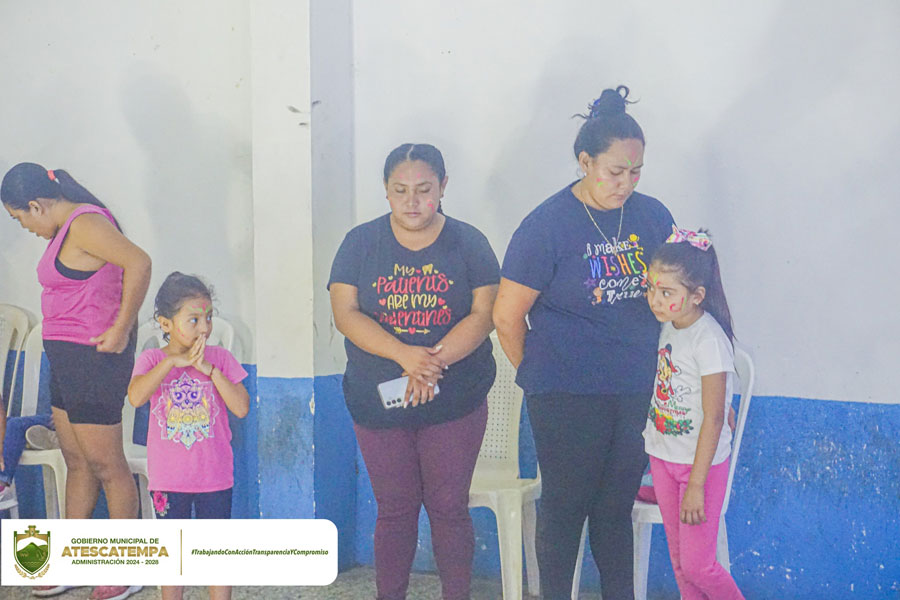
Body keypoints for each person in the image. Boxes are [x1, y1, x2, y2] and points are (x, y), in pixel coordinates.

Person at [493, 86, 675, 599]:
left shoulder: (653, 217)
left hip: (635, 390)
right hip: (564, 393)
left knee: (614, 509)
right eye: (615, 171)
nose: (626, 183)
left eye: (636, 172)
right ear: (584, 161)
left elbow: (679, 296)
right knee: (565, 507)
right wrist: (541, 380)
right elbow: (506, 316)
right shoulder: (547, 226)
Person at [329, 143, 499, 600]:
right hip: (378, 400)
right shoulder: (360, 243)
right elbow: (345, 313)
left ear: (443, 187)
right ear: (385, 191)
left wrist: (429, 365)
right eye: (400, 190)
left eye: (423, 189)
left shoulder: (470, 242)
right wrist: (406, 356)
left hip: (455, 398)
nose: (412, 201)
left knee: (448, 506)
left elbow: (484, 314)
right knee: (396, 509)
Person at [2, 162, 150, 600]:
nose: (25, 228)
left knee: (108, 465)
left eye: (20, 219)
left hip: (93, 361)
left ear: (35, 205)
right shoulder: (65, 230)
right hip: (66, 359)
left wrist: (121, 327)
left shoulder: (86, 223)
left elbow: (139, 262)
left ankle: (127, 567)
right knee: (77, 461)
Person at [128, 272, 249, 600]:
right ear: (166, 324)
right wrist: (172, 363)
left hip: (214, 477)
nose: (204, 328)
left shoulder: (220, 359)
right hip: (169, 480)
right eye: (194, 320)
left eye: (208, 318)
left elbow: (241, 407)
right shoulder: (153, 360)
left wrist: (210, 371)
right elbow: (136, 396)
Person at [642, 227, 745, 600]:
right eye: (651, 288)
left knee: (699, 565)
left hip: (698, 468)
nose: (655, 300)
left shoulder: (709, 339)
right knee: (681, 565)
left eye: (667, 293)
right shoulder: (669, 327)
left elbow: (714, 417)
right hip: (663, 456)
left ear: (697, 295)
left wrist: (697, 486)